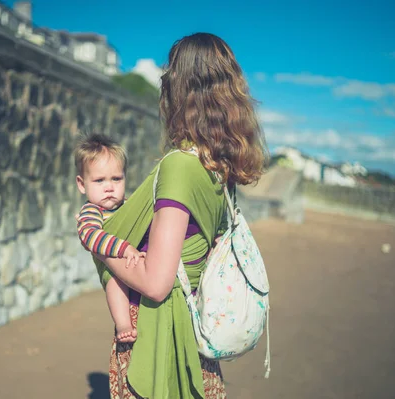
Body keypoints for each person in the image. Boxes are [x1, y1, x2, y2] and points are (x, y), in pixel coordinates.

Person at [91, 32, 268, 399]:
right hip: (195, 333)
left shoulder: (179, 167)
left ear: (180, 88)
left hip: (161, 337)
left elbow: (157, 282)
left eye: (169, 75)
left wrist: (100, 247)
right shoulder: (219, 170)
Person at [74, 134, 146, 343]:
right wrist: (124, 248)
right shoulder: (91, 211)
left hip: (138, 265)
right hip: (112, 267)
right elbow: (91, 237)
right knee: (115, 283)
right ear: (82, 184)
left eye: (116, 179)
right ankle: (123, 324)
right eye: (99, 180)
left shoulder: (128, 205)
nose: (109, 187)